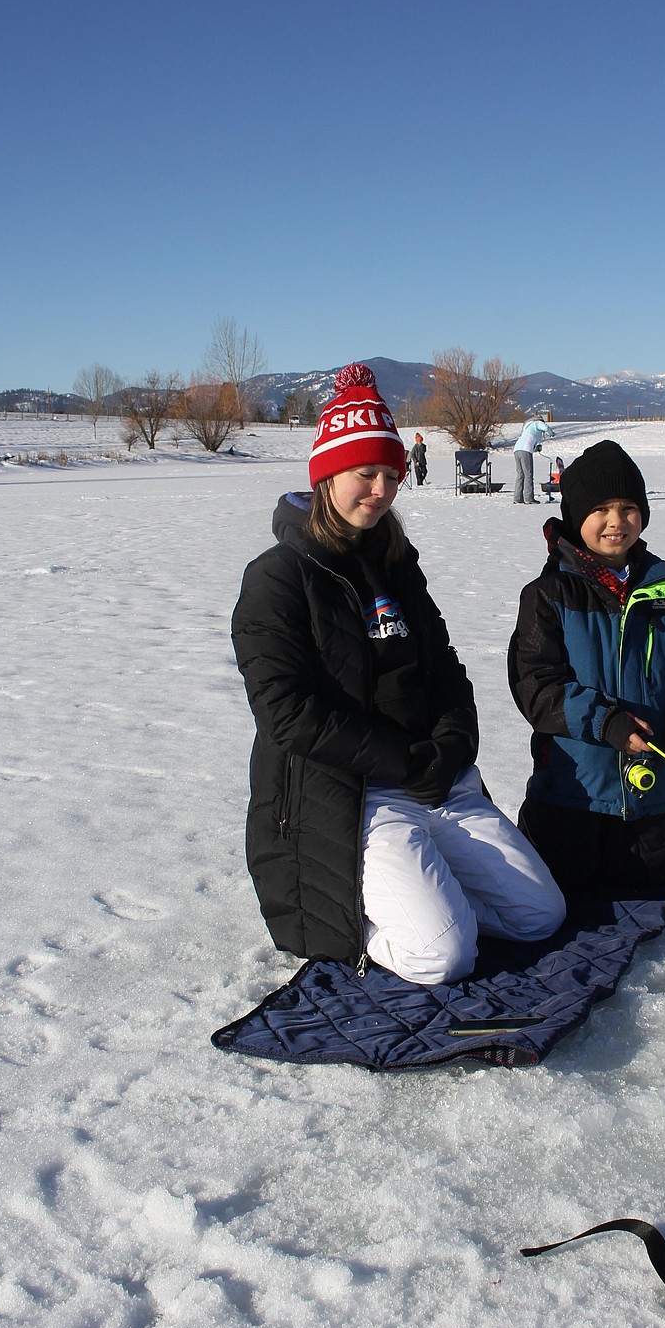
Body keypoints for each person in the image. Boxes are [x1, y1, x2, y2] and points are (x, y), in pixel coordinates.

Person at [232, 363, 565, 985]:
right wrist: (403, 762)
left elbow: (443, 667)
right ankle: (375, 906)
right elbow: (286, 713)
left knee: (539, 916)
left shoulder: (396, 563)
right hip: (355, 793)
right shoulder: (278, 577)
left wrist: (452, 746)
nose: (381, 491)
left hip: (438, 777)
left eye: (392, 475)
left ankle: (429, 884)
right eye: (366, 474)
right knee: (442, 956)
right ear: (329, 474)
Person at [508, 440, 665, 899]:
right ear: (576, 514)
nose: (616, 521)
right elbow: (536, 688)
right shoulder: (548, 596)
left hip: (648, 793)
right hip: (572, 792)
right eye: (600, 508)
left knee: (651, 881)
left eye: (627, 508)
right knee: (558, 886)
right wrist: (607, 721)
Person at [512, 416, 552, 504]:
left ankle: (517, 498)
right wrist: (551, 433)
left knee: (520, 475)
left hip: (517, 450)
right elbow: (546, 427)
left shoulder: (527, 427)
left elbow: (530, 440)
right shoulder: (537, 423)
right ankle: (529, 498)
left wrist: (536, 447)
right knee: (528, 474)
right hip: (525, 450)